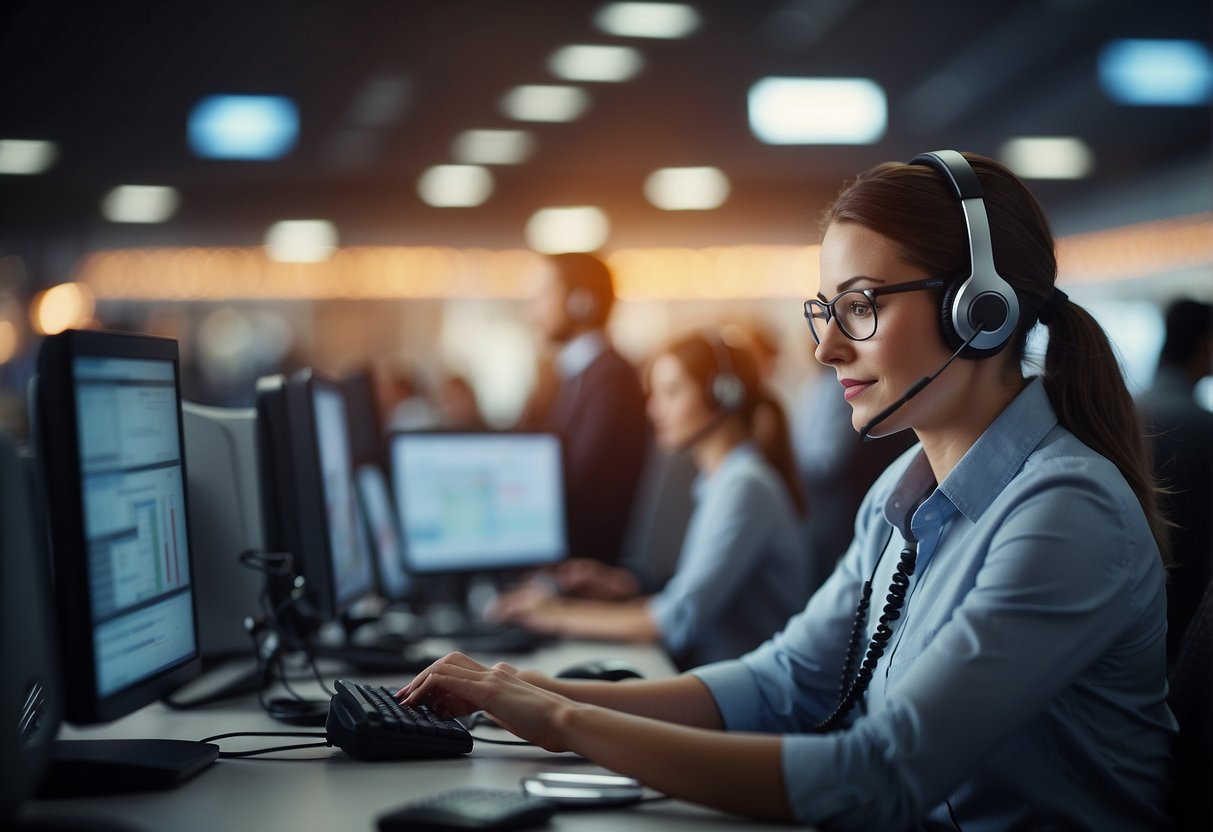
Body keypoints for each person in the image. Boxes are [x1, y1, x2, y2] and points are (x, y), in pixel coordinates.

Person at [398, 151, 1174, 829]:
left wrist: (563, 718)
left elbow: (879, 774)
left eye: (860, 307)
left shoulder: (1066, 513)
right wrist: (516, 688)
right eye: (824, 310)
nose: (824, 346)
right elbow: (781, 682)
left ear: (979, 311)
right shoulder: (900, 499)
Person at [493, 329, 809, 669]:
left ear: (722, 394)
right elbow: (692, 601)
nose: (654, 410)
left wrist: (555, 616)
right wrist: (622, 587)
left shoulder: (744, 487)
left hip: (748, 695)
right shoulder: (721, 482)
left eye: (671, 393)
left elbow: (676, 622)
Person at [522, 252, 648, 566]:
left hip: (592, 568)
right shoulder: (573, 377)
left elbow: (578, 486)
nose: (533, 312)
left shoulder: (612, 381)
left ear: (581, 303)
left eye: (544, 295)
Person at [1136, 298, 1213, 664]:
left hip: (1131, 604)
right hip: (1189, 613)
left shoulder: (1123, 413)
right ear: (1206, 346)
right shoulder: (1204, 430)